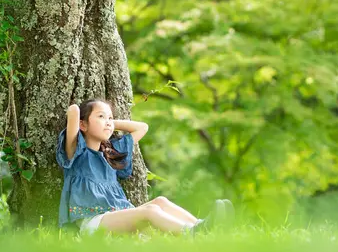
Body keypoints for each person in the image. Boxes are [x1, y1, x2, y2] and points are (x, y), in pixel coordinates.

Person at [56, 99, 233, 235]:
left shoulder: (110, 154)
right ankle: (193, 233)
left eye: (110, 117)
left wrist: (109, 123)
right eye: (101, 116)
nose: (108, 122)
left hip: (117, 215)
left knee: (161, 201)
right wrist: (92, 119)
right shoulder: (77, 154)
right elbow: (74, 111)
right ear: (83, 124)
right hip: (93, 223)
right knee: (150, 211)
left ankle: (203, 227)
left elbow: (142, 128)